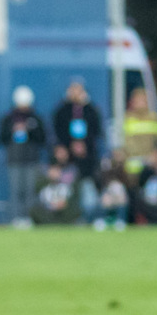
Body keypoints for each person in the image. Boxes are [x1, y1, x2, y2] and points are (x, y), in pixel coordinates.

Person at [52, 79, 104, 222]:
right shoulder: (62, 111)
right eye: (73, 90)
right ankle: (70, 218)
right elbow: (58, 132)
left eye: (78, 90)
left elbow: (96, 131)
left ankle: (88, 219)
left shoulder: (90, 110)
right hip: (69, 161)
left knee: (88, 193)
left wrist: (84, 145)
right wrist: (69, 146)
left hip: (87, 161)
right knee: (69, 190)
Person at [0, 85, 46, 225]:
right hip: (14, 159)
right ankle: (16, 218)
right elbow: (2, 137)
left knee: (30, 191)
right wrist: (14, 130)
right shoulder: (9, 119)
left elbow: (41, 138)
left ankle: (30, 218)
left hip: (31, 159)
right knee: (15, 191)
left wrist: (29, 129)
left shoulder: (35, 119)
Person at [30, 145, 81, 225]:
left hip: (63, 208)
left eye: (57, 170)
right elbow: (39, 195)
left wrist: (65, 203)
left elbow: (74, 196)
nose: (55, 173)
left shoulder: (66, 184)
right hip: (48, 210)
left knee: (75, 209)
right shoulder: (43, 183)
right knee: (35, 210)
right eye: (53, 170)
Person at [121, 87, 157, 176]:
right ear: (132, 101)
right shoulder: (125, 119)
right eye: (138, 100)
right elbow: (119, 144)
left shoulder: (156, 119)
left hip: (151, 165)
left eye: (144, 100)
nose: (141, 103)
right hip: (129, 166)